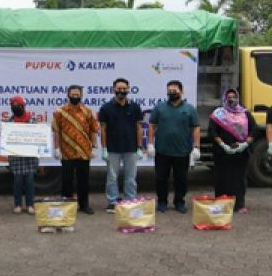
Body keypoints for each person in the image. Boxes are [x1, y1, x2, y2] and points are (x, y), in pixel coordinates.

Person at [146, 80, 201, 213]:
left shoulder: (189, 109)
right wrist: (150, 144)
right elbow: (152, 125)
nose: (172, 93)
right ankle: (162, 202)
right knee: (160, 178)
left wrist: (196, 146)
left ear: (181, 92)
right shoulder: (160, 107)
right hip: (162, 151)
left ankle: (179, 202)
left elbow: (196, 128)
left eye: (174, 91)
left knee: (181, 179)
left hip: (182, 151)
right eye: (169, 91)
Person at [207, 88, 257, 214]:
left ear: (238, 98)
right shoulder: (218, 114)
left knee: (239, 179)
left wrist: (245, 144)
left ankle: (239, 204)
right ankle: (221, 204)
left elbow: (254, 130)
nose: (231, 99)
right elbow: (212, 131)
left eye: (234, 96)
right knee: (221, 178)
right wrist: (223, 145)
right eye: (228, 97)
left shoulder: (245, 113)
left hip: (241, 152)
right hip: (222, 152)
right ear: (224, 98)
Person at [52, 84, 100, 214]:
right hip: (66, 152)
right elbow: (56, 131)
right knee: (66, 180)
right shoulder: (59, 112)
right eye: (73, 95)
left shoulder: (88, 111)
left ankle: (84, 205)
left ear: (81, 95)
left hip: (84, 152)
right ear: (68, 95)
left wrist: (94, 147)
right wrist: (56, 149)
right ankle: (67, 205)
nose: (75, 97)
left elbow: (93, 131)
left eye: (77, 95)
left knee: (83, 180)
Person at [98, 77, 143, 211]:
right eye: (119, 89)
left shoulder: (135, 107)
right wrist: (104, 148)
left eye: (124, 89)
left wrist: (139, 147)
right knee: (112, 177)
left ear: (128, 90)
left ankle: (130, 200)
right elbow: (103, 129)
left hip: (131, 148)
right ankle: (112, 201)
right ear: (113, 89)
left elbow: (139, 128)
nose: (122, 91)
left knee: (131, 178)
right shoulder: (106, 108)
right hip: (113, 149)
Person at [5, 95, 39, 215]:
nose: (16, 108)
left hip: (30, 157)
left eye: (18, 106)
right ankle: (17, 204)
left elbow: (38, 137)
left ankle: (30, 205)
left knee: (30, 181)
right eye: (13, 106)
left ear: (23, 106)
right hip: (16, 157)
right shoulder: (9, 122)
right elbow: (7, 139)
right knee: (17, 182)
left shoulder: (32, 120)